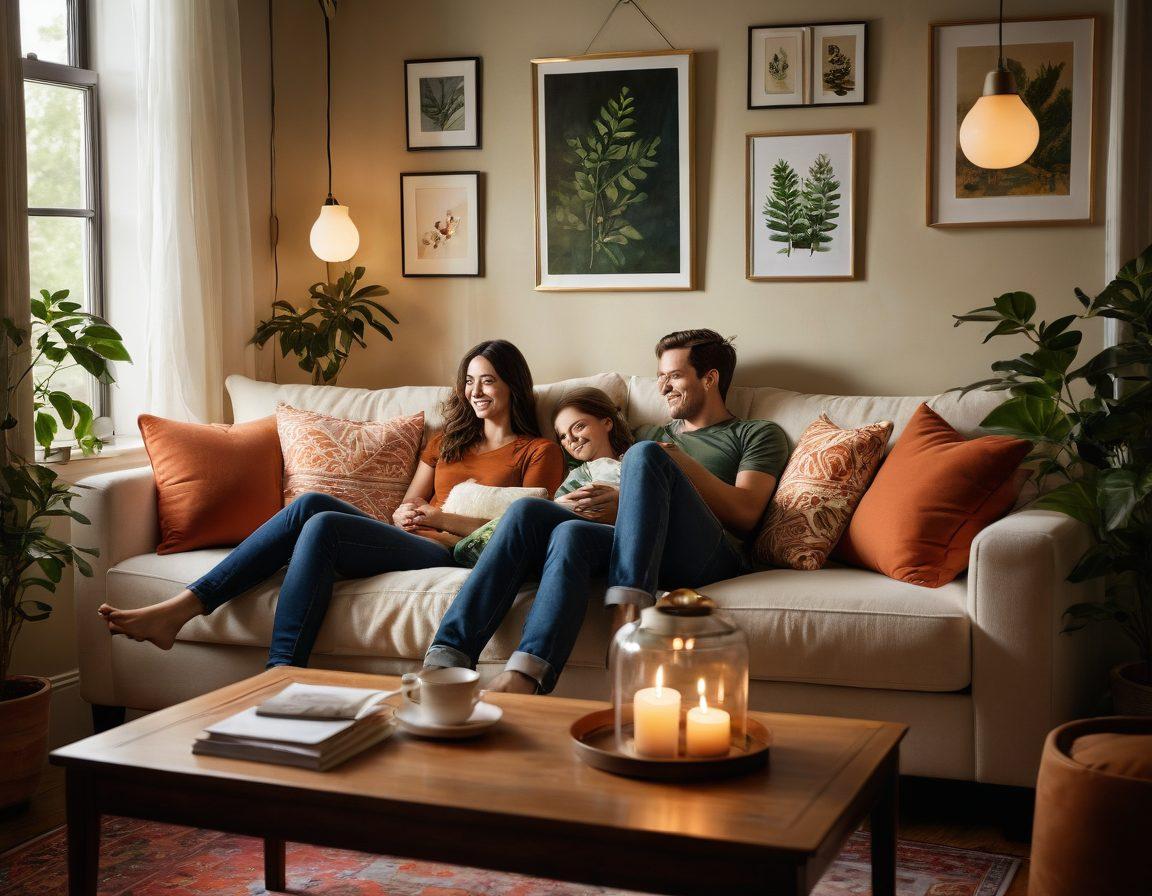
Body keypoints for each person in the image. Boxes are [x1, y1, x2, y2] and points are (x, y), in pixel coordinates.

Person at [98, 340, 566, 668]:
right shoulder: (446, 441)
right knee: (312, 509)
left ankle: (280, 667)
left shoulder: (538, 451)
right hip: (410, 537)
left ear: (511, 386)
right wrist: (408, 513)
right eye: (469, 382)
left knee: (322, 525)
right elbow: (409, 503)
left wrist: (441, 520)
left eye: (487, 382)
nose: (476, 393)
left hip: (449, 551)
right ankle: (185, 609)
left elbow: (521, 527)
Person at [425, 329, 789, 695]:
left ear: (710, 378)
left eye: (674, 376)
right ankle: (479, 663)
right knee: (533, 515)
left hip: (705, 553)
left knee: (646, 454)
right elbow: (593, 456)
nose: (662, 388)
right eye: (659, 377)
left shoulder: (754, 433)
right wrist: (624, 501)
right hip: (640, 543)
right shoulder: (647, 430)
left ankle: (626, 618)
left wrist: (672, 461)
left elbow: (745, 514)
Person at [426, 387, 634, 694]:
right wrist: (563, 506)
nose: (570, 439)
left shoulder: (635, 459)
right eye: (562, 436)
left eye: (578, 427)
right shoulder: (571, 475)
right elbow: (546, 513)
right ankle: (445, 660)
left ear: (607, 422)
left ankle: (527, 674)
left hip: (611, 538)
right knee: (528, 509)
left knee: (567, 530)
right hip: (559, 545)